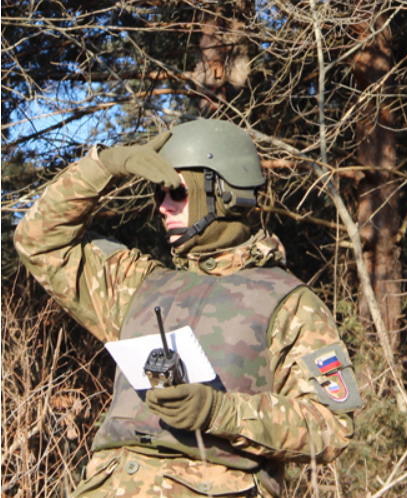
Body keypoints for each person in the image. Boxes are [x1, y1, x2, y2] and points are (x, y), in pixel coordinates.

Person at [14, 119, 362, 497]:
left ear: (226, 193)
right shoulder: (138, 284)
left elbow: (332, 426)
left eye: (177, 193)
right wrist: (104, 166)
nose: (163, 207)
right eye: (159, 195)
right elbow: (38, 241)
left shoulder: (289, 303)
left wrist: (221, 413)